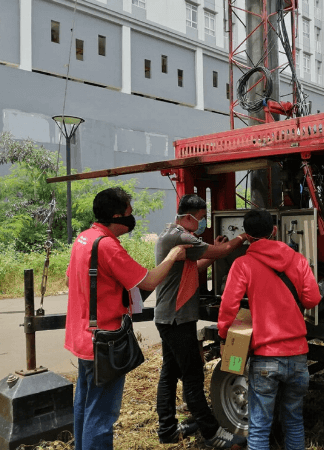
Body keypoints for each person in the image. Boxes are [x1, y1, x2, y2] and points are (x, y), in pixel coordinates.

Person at [64, 187, 190, 450]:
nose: (132, 219)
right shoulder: (107, 245)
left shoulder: (84, 238)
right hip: (104, 343)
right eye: (129, 214)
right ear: (116, 216)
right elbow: (149, 281)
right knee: (101, 416)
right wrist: (173, 255)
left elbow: (69, 279)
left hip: (82, 338)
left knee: (84, 405)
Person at [218, 208, 322, 450]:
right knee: (294, 421)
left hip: (266, 358)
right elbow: (312, 299)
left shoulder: (243, 264)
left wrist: (225, 335)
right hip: (297, 355)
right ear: (274, 230)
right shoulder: (297, 259)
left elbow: (229, 305)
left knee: (260, 426)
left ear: (247, 235)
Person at [154, 193, 248, 448]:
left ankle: (168, 429)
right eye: (201, 219)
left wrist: (215, 252)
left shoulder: (171, 233)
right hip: (176, 319)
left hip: (169, 317)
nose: (202, 224)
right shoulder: (181, 236)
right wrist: (243, 237)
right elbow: (225, 249)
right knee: (193, 375)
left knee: (170, 372)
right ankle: (212, 433)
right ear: (188, 217)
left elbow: (193, 267)